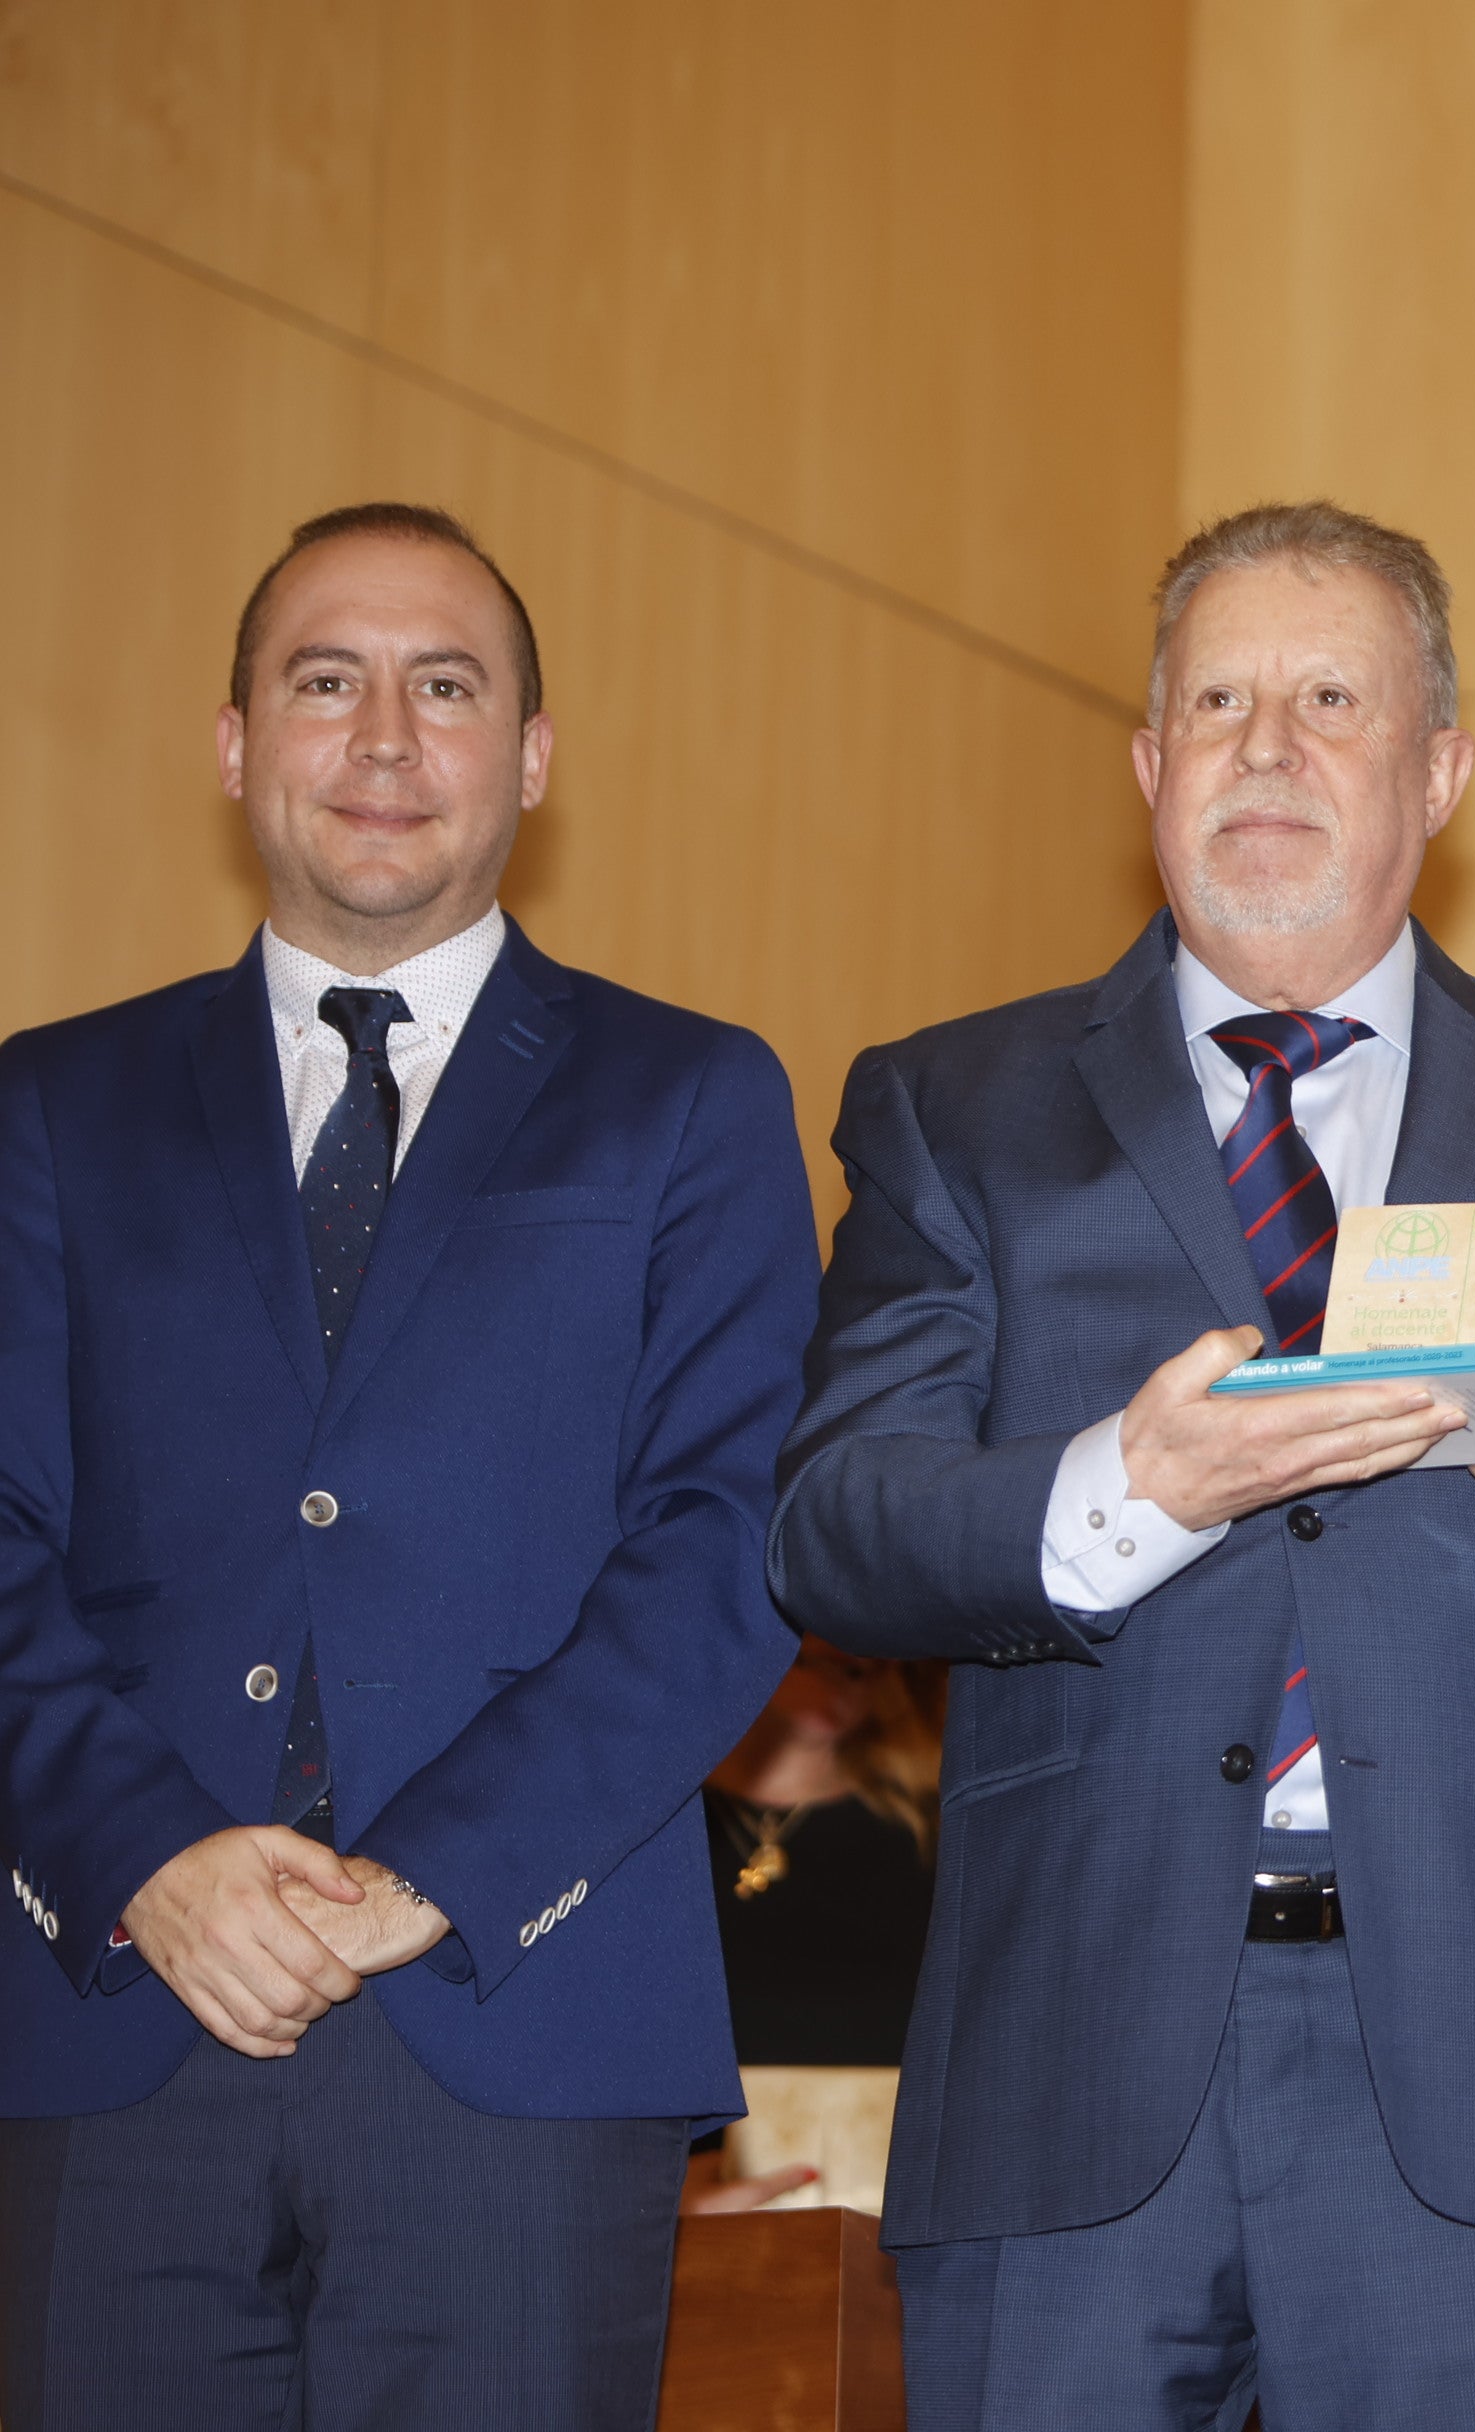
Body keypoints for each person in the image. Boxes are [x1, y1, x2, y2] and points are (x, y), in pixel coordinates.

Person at [770, 499, 1475, 2432]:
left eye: (1330, 697)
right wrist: (1124, 1490)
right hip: (1067, 2056)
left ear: (1437, 771)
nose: (1266, 746)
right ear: (1151, 765)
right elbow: (835, 1528)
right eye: (1220, 699)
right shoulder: (953, 1105)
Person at [0, 502, 819, 2428]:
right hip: (122, 2008)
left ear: (532, 758)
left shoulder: (690, 1096)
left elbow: (719, 1549)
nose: (386, 736)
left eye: (447, 687)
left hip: (516, 2015)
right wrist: (155, 1859)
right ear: (233, 744)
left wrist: (423, 1878)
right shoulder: (47, 1103)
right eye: (326, 680)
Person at [681, 1639, 944, 2215]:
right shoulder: (653, 1825)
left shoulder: (943, 1834)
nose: (838, 1662)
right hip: (680, 2235)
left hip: (899, 2230)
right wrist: (649, 2201)